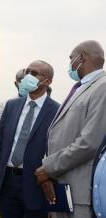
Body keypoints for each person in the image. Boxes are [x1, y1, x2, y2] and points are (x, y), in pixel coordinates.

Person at [35, 40, 106, 218]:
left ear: (81, 57)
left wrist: (49, 167)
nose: (70, 64)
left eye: (71, 59)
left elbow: (90, 143)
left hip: (81, 191)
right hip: (65, 186)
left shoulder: (102, 87)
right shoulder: (82, 88)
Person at [0, 60, 59, 218]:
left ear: (47, 81)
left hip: (37, 183)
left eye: (34, 73)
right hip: (7, 182)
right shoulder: (11, 106)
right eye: (27, 72)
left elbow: (58, 151)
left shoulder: (57, 111)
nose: (28, 76)